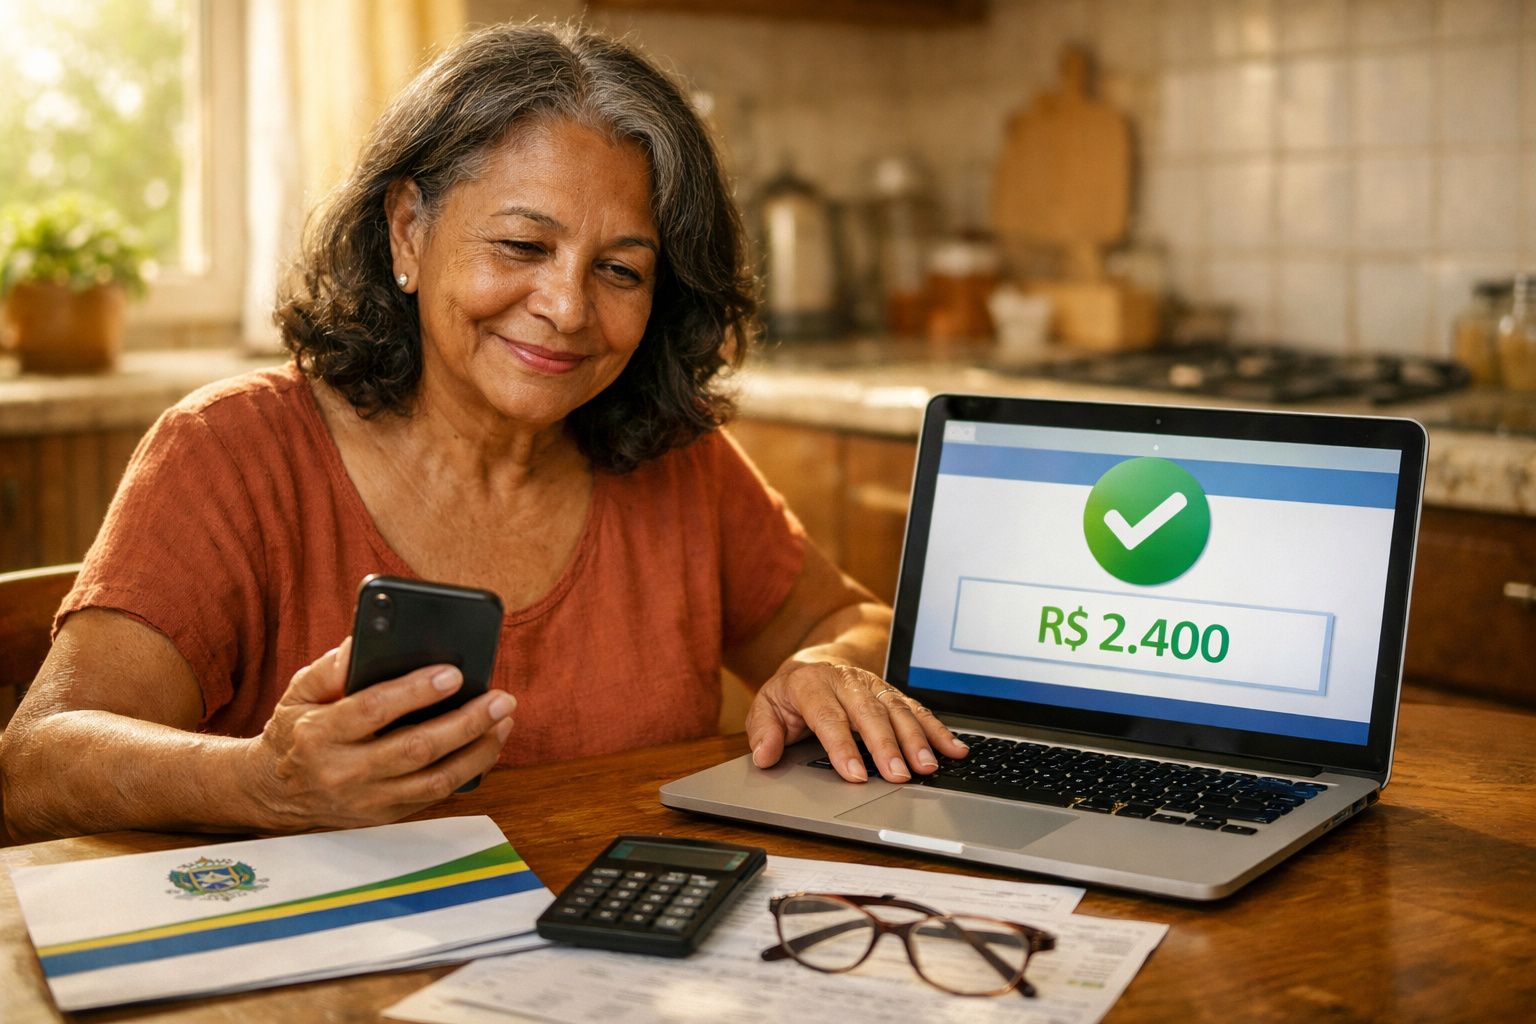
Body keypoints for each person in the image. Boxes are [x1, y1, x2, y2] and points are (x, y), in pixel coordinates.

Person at [0, 23, 966, 842]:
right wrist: (264, 781)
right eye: (522, 246)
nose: (567, 307)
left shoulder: (675, 460)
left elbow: (854, 624)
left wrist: (820, 671)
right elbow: (36, 762)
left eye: (621, 271)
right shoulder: (232, 451)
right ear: (408, 233)